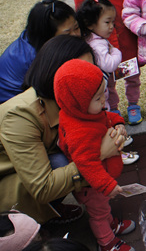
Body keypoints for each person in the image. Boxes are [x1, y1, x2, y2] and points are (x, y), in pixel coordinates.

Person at [0, 35, 126, 224]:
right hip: (10, 184)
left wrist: (117, 128)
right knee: (60, 162)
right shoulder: (19, 116)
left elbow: (101, 122)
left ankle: (53, 209)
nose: (88, 76)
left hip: (35, 174)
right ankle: (25, 221)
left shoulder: (72, 104)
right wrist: (97, 154)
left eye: (91, 69)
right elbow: (42, 187)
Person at [54, 59, 136, 251]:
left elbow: (105, 116)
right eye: (98, 98)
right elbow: (86, 163)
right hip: (92, 184)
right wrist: (107, 185)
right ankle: (106, 242)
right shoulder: (79, 131)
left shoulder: (85, 112)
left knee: (103, 206)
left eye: (103, 94)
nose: (103, 101)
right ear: (79, 102)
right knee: (98, 213)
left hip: (100, 178)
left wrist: (118, 123)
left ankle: (111, 224)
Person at [73, 0, 142, 125]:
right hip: (101, 45)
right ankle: (114, 109)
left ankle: (134, 104)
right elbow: (81, 18)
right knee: (107, 81)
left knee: (132, 75)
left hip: (126, 40)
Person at [76, 0, 137, 163]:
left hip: (97, 88)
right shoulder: (98, 44)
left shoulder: (90, 38)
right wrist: (116, 52)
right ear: (90, 24)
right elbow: (109, 64)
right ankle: (116, 150)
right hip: (97, 91)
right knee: (105, 117)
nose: (112, 27)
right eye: (107, 22)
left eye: (113, 22)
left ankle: (116, 140)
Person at [0, 0, 79, 104]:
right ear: (47, 36)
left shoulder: (34, 37)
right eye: (67, 33)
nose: (76, 35)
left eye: (77, 27)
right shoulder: (38, 59)